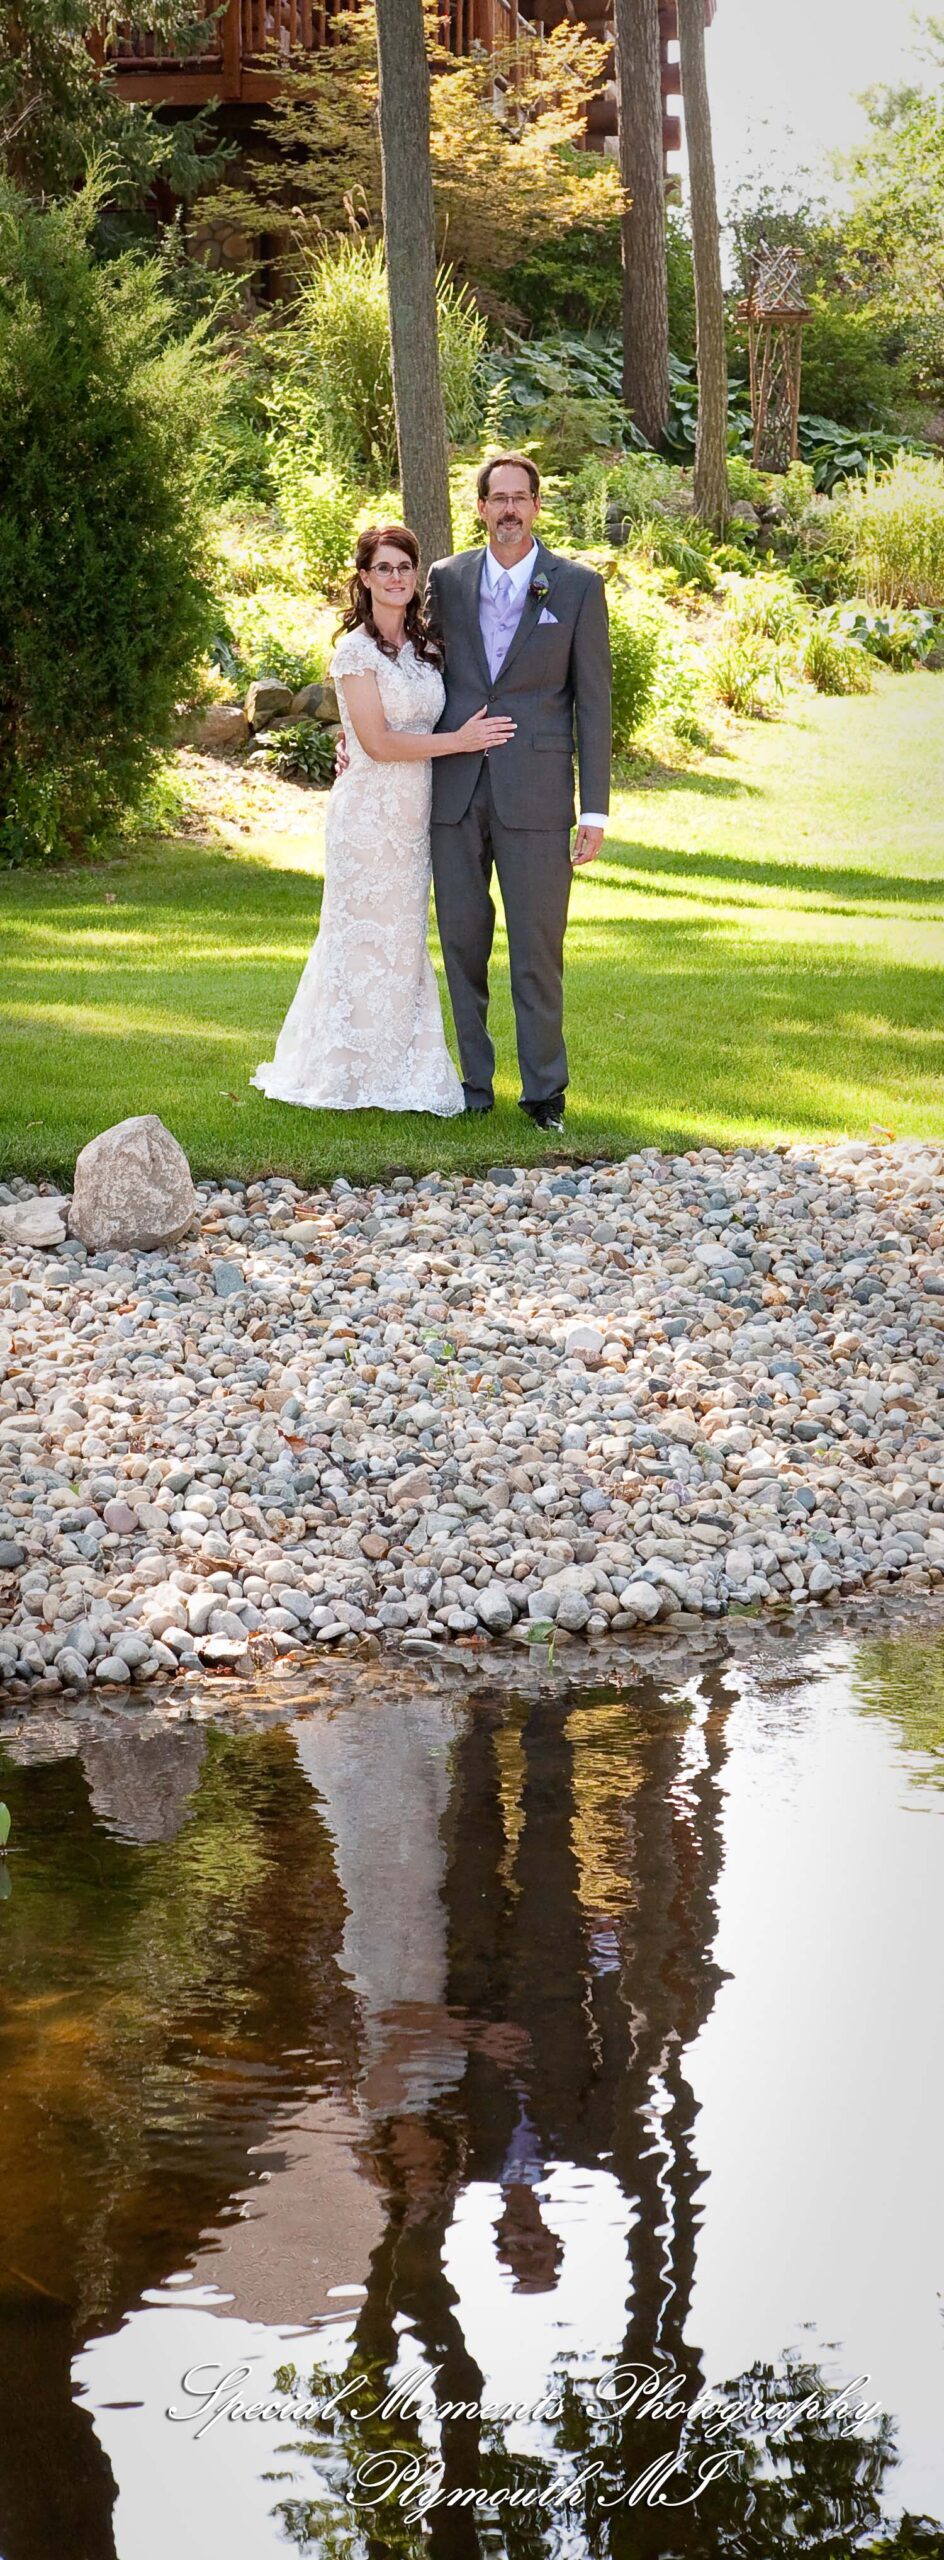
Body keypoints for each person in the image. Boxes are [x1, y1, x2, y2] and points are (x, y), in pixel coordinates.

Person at [251, 524, 515, 1116]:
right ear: (364, 578)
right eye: (384, 568)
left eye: (404, 567)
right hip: (368, 816)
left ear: (415, 576)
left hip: (417, 812)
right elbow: (377, 742)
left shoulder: (428, 647)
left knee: (401, 941)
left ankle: (401, 1067)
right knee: (357, 936)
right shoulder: (354, 652)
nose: (396, 577)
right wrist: (461, 740)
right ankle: (343, 1068)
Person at [427, 453, 612, 1133]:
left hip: (537, 795)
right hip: (454, 791)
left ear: (536, 506)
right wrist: (359, 735)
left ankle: (544, 1094)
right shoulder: (445, 580)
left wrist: (593, 808)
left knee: (539, 948)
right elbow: (411, 668)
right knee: (461, 941)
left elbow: (594, 704)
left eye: (519, 498)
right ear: (480, 508)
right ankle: (474, 1083)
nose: (508, 509)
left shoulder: (577, 587)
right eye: (496, 498)